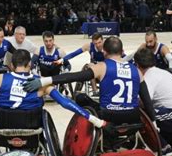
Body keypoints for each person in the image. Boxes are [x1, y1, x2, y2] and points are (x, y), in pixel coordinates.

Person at [23, 37, 156, 149]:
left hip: (109, 117)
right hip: (132, 119)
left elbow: (74, 76)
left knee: (81, 97)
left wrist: (43, 81)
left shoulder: (102, 66)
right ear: (122, 52)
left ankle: (95, 139)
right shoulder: (137, 71)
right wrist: (154, 125)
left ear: (104, 52)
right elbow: (147, 102)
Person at [0, 49, 105, 129]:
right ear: (30, 64)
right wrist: (92, 118)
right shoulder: (41, 83)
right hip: (31, 124)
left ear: (11, 65)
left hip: (3, 123)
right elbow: (65, 102)